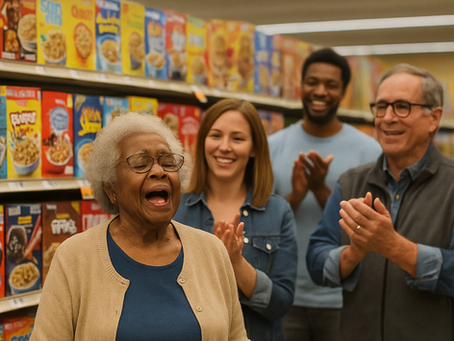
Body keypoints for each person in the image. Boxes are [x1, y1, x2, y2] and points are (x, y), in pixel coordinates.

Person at [31, 112, 250, 341]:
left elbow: (236, 336)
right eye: (140, 164)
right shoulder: (74, 258)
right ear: (110, 188)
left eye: (168, 162)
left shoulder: (212, 251)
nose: (159, 171)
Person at [306, 64, 454, 341]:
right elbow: (316, 261)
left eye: (401, 107)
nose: (387, 118)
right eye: (381, 106)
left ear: (434, 118)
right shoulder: (350, 183)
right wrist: (353, 253)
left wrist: (395, 247)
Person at [268, 47, 382, 341]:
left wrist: (321, 190)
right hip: (283, 293)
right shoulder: (272, 146)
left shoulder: (369, 151)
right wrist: (294, 196)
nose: (320, 91)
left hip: (345, 296)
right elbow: (261, 221)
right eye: (312, 82)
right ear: (300, 85)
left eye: (331, 85)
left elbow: (374, 228)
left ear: (343, 91)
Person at [174, 98, 298, 341]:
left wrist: (236, 263)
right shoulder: (175, 209)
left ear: (254, 149)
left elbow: (281, 304)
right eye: (216, 135)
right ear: (202, 142)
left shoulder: (277, 211)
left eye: (238, 139)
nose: (224, 147)